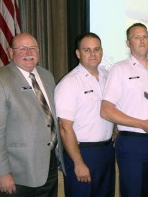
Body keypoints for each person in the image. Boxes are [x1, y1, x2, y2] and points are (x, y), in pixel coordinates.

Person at [100, 22, 148, 197]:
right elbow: (106, 110)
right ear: (128, 43)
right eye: (136, 37)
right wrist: (141, 124)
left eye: (145, 36)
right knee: (133, 192)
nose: (142, 41)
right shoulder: (119, 70)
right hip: (133, 142)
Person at [0, 33, 64, 197]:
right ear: (10, 52)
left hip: (49, 166)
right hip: (18, 174)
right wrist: (2, 173)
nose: (28, 53)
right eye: (22, 48)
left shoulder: (46, 75)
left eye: (33, 48)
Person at [55, 32, 115, 197]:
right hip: (82, 152)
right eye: (87, 50)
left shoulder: (107, 77)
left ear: (102, 52)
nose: (93, 54)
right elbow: (65, 127)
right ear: (78, 53)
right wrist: (78, 163)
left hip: (106, 151)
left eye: (96, 49)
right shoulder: (69, 83)